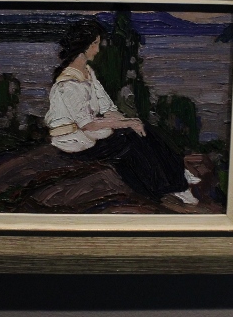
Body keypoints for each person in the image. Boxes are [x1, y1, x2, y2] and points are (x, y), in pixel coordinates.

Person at [44, 19, 200, 205]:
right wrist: (126, 124)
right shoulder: (69, 83)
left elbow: (106, 107)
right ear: (84, 47)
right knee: (129, 141)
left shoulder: (87, 72)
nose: (98, 49)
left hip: (88, 134)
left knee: (143, 128)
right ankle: (173, 187)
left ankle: (178, 172)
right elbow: (87, 124)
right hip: (74, 141)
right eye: (95, 44)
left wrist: (130, 121)